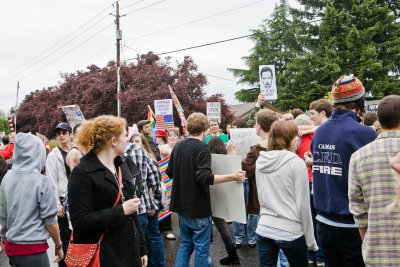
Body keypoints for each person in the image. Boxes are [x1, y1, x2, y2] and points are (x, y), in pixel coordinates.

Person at [307, 75, 377, 267]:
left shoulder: (319, 131)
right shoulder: (365, 133)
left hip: (324, 223)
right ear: (357, 103)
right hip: (352, 225)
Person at [167, 112, 245, 266]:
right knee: (202, 250)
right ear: (205, 128)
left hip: (181, 206)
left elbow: (170, 173)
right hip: (198, 208)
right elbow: (204, 177)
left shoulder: (179, 146)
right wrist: (232, 176)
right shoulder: (202, 148)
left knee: (186, 244)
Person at [68, 115, 147, 267]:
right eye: (124, 136)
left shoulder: (121, 164)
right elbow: (80, 222)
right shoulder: (82, 173)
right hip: (104, 255)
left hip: (130, 252)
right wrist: (121, 210)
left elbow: (132, 212)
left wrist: (142, 248)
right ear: (113, 141)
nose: (127, 140)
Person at [256, 120, 318, 267]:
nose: (297, 139)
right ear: (289, 138)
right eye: (295, 136)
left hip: (264, 227)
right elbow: (303, 206)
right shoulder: (296, 163)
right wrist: (311, 241)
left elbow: (261, 197)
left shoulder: (261, 161)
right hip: (290, 231)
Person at [348, 95, 400, 266]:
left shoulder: (359, 157)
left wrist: (368, 244)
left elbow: (358, 211)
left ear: (379, 120)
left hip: (377, 253)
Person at [0, 133, 63, 267]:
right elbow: (50, 222)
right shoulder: (42, 182)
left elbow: (3, 213)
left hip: (13, 247)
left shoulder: (7, 177)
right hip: (33, 249)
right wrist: (58, 245)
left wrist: (3, 237)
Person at [126, 134, 165, 267]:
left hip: (132, 206)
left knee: (140, 242)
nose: (134, 144)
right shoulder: (142, 154)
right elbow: (155, 180)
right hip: (142, 205)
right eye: (132, 141)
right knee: (143, 241)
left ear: (144, 144)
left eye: (137, 141)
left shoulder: (113, 153)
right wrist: (157, 203)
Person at [294, 114, 325, 266]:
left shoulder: (297, 139)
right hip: (317, 181)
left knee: (307, 221)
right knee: (318, 220)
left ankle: (310, 254)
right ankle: (320, 256)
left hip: (304, 181)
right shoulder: (320, 134)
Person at [208, 136, 240, 265]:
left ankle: (206, 255)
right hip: (221, 194)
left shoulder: (209, 158)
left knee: (207, 224)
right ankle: (233, 255)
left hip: (209, 194)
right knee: (221, 225)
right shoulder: (226, 158)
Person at [45, 122, 72, 267]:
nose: (61, 136)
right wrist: (57, 204)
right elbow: (51, 181)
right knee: (65, 241)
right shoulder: (54, 156)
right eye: (59, 133)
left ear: (70, 134)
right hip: (63, 202)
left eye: (64, 132)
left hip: (80, 202)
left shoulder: (78, 151)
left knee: (79, 242)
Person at [159, 129, 179, 240]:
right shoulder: (164, 147)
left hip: (179, 177)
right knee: (167, 202)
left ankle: (184, 228)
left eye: (174, 135)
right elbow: (167, 153)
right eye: (170, 135)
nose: (172, 137)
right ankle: (167, 229)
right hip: (166, 179)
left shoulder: (180, 145)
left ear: (178, 136)